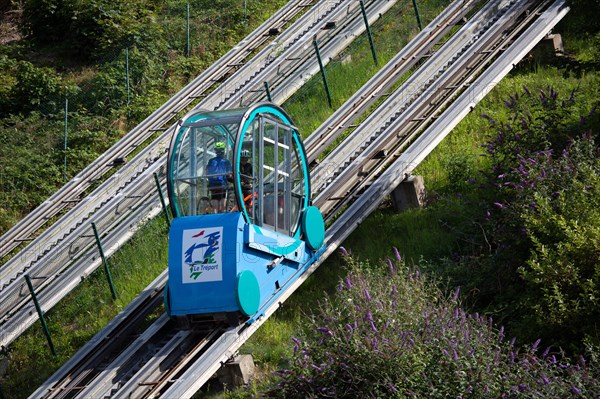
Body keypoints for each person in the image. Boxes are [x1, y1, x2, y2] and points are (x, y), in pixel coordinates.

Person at [206, 141, 232, 212]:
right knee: (223, 203)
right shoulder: (226, 161)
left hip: (212, 184)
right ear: (223, 151)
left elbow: (207, 171)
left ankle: (215, 217)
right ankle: (222, 217)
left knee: (215, 203)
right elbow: (229, 174)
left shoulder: (211, 161)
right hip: (222, 184)